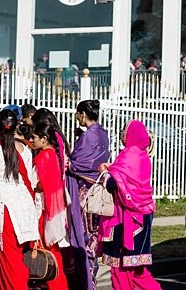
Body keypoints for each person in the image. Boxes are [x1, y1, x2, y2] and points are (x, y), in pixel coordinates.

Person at [0, 108, 40, 290]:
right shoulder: (26, 150)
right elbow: (30, 181)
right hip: (25, 209)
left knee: (9, 261)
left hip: (7, 210)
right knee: (9, 257)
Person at [98, 120, 161, 290]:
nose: (122, 134)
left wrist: (104, 174)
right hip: (142, 217)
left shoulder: (128, 155)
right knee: (138, 272)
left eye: (125, 131)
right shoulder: (143, 156)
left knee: (120, 269)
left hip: (126, 220)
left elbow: (115, 184)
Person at [67, 99, 111, 290]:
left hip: (85, 191)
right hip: (98, 190)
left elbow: (78, 163)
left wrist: (67, 161)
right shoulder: (102, 133)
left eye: (78, 114)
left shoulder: (89, 136)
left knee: (84, 237)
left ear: (83, 114)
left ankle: (86, 280)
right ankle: (89, 278)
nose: (77, 117)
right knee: (93, 236)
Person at [31, 119, 69, 290]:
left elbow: (41, 184)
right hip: (54, 208)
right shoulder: (53, 153)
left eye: (34, 138)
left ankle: (55, 285)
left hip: (43, 208)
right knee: (53, 250)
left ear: (44, 139)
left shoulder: (43, 156)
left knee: (46, 250)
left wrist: (32, 188)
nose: (32, 141)